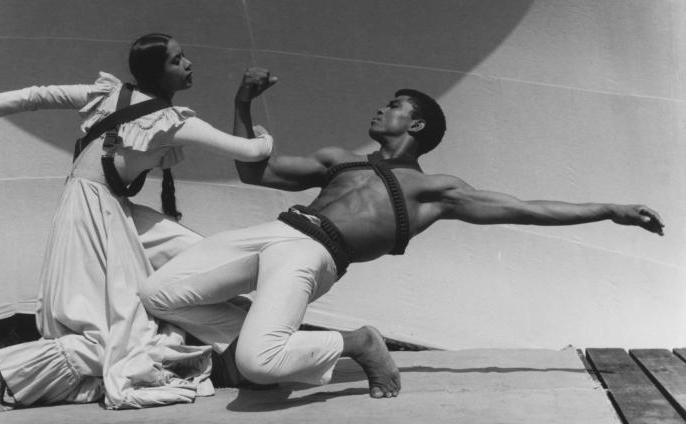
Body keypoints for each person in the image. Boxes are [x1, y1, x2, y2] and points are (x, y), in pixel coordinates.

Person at [138, 68, 665, 399]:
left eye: (393, 106)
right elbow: (254, 171)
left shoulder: (433, 189)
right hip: (274, 230)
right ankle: (263, 326)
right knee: (157, 294)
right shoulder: (338, 161)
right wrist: (243, 104)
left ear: (414, 127)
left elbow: (525, 209)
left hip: (314, 254)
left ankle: (358, 343)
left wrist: (609, 209)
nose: (380, 108)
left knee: (259, 362)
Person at [0, 34, 274, 411]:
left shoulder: (109, 96)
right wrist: (255, 120)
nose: (188, 63)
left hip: (93, 206)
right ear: (157, 74)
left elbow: (36, 96)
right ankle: (2, 365)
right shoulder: (169, 121)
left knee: (185, 261)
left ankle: (240, 328)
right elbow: (249, 150)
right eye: (177, 60)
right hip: (95, 216)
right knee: (119, 336)